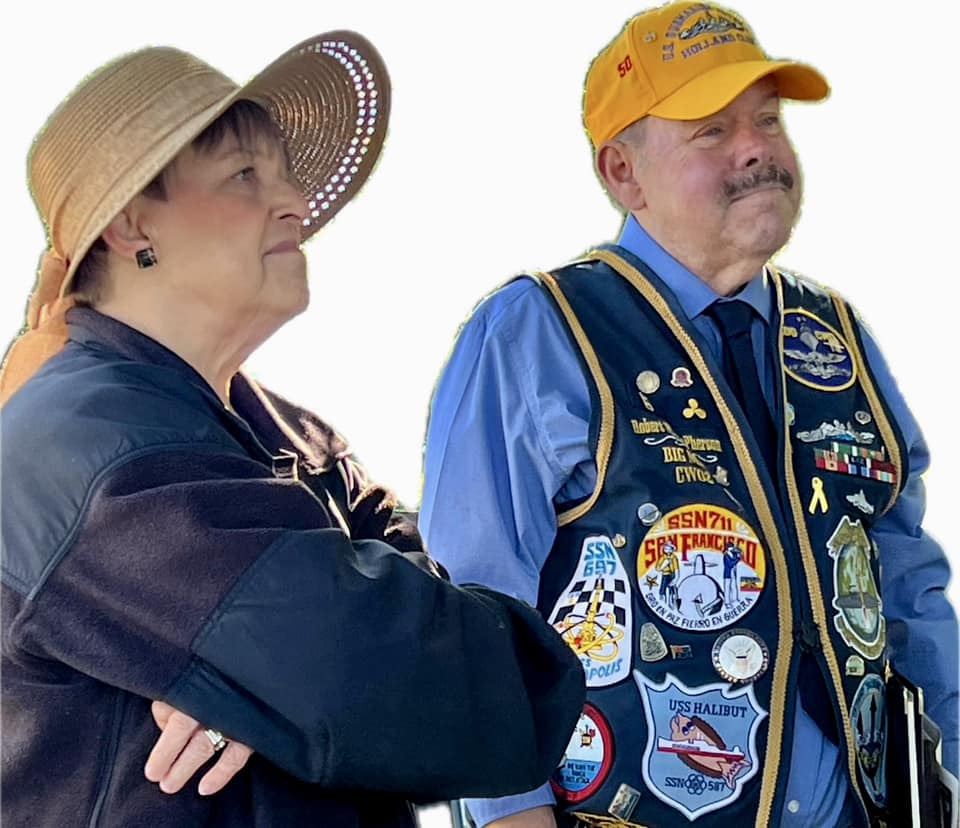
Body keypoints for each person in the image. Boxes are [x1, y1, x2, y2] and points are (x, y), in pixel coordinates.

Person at [0, 33, 585, 828]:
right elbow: (445, 689)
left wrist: (261, 693)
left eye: (284, 176)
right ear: (134, 225)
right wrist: (298, 686)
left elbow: (423, 644)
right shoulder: (88, 445)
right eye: (244, 175)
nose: (296, 204)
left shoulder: (296, 439)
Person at [420, 2, 959, 827]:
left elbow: (908, 588)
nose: (758, 149)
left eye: (768, 121)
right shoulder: (537, 330)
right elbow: (476, 614)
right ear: (622, 173)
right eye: (712, 130)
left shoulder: (835, 338)